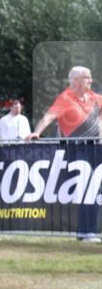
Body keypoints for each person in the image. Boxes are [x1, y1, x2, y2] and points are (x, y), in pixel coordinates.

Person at [27, 66, 102, 241]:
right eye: (87, 77)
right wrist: (36, 132)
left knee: (96, 188)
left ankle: (88, 230)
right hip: (76, 150)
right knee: (87, 187)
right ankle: (86, 231)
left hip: (95, 149)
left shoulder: (93, 97)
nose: (91, 80)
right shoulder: (65, 98)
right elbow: (48, 117)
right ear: (76, 80)